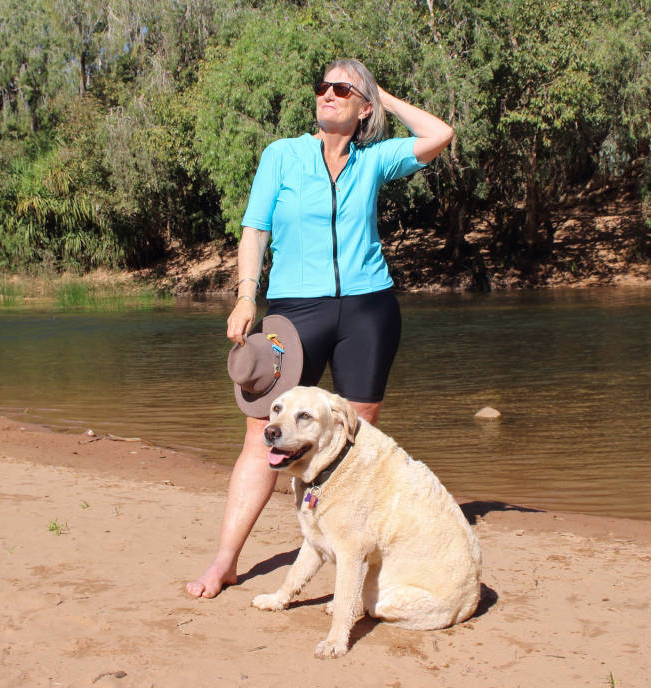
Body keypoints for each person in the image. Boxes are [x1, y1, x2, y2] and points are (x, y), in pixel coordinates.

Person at [186, 58, 454, 598]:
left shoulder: (375, 161)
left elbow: (440, 133)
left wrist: (383, 95)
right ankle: (225, 561)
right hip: (294, 312)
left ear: (363, 109)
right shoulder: (282, 156)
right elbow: (254, 229)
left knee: (353, 437)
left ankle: (344, 544)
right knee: (263, 436)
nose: (327, 95)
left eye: (343, 90)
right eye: (323, 87)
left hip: (368, 311)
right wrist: (245, 296)